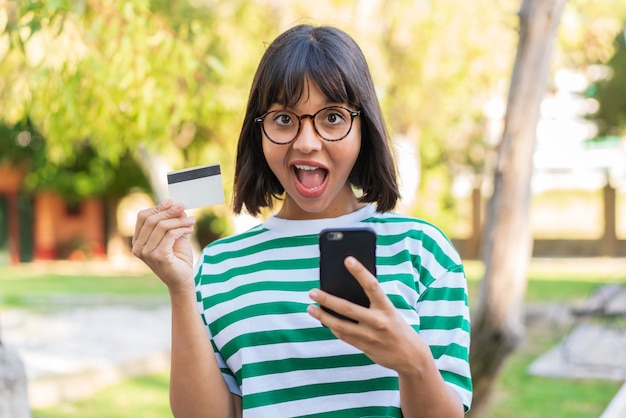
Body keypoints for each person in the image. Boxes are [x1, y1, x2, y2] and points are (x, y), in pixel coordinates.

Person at [133, 24, 472, 417]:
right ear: (258, 132)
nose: (307, 142)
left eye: (331, 117)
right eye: (283, 119)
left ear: (364, 127)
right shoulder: (219, 266)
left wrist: (413, 362)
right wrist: (180, 288)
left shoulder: (423, 251)